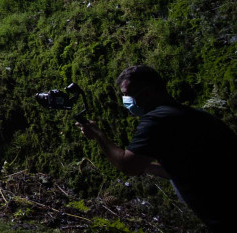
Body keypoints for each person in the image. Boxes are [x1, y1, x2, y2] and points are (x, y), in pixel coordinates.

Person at [75, 65, 237, 232]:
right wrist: (147, 166)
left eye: (128, 94)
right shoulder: (193, 115)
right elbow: (180, 167)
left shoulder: (157, 120)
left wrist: (98, 136)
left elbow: (127, 165)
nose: (126, 100)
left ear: (149, 91)